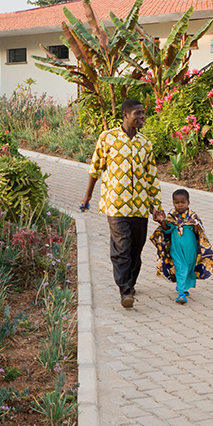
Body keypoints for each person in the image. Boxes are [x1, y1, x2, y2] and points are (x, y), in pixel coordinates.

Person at [80, 99, 161, 309]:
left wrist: (156, 206)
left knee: (136, 247)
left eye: (143, 113)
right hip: (115, 204)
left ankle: (130, 283)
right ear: (125, 115)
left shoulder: (145, 143)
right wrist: (87, 196)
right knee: (122, 246)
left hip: (141, 205)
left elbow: (152, 176)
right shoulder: (107, 138)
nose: (142, 116)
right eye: (137, 113)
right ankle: (125, 290)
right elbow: (95, 168)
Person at [151, 188, 213, 304]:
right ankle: (181, 293)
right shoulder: (172, 216)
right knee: (181, 268)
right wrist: (162, 222)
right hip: (176, 249)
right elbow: (167, 230)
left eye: (183, 202)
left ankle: (183, 286)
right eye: (177, 203)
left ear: (188, 203)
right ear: (173, 203)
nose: (180, 205)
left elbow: (199, 233)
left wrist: (195, 225)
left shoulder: (192, 217)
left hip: (190, 250)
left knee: (189, 267)